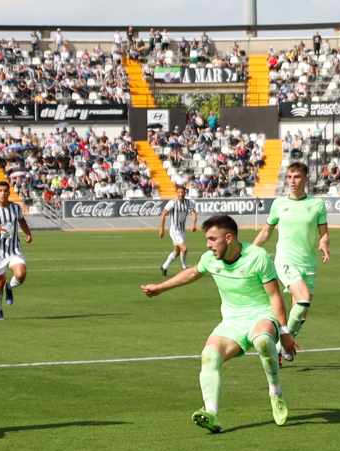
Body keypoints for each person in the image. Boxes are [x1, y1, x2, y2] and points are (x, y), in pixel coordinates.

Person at [141, 215, 298, 433]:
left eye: (212, 239)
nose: (208, 244)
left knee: (262, 340)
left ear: (229, 237)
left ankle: (275, 392)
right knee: (208, 356)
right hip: (231, 322)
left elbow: (274, 296)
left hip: (260, 315)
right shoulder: (210, 259)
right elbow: (193, 272)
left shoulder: (258, 256)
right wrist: (160, 287)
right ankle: (211, 413)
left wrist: (285, 333)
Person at [251, 161, 329, 361]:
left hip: (308, 263)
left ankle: (280, 347)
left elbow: (324, 233)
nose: (292, 181)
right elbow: (267, 231)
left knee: (301, 313)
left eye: (296, 177)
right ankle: (280, 347)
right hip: (285, 260)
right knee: (303, 298)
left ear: (305, 179)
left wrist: (324, 243)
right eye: (289, 177)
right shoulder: (279, 204)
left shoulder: (317, 204)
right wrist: (250, 251)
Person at [0, 181, 32, 321]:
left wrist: (28, 233)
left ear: (9, 192)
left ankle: (10, 287)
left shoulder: (15, 208)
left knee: (21, 274)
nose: (2, 194)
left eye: (5, 191)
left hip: (14, 249)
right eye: (0, 191)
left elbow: (22, 221)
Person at [158, 184, 197, 276]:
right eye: (179, 192)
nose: (180, 194)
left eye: (182, 192)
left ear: (185, 193)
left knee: (177, 251)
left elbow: (194, 213)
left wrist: (193, 224)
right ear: (176, 193)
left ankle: (164, 267)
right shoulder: (173, 203)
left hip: (182, 230)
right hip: (174, 230)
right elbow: (163, 214)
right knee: (184, 248)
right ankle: (185, 268)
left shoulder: (188, 203)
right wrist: (162, 229)